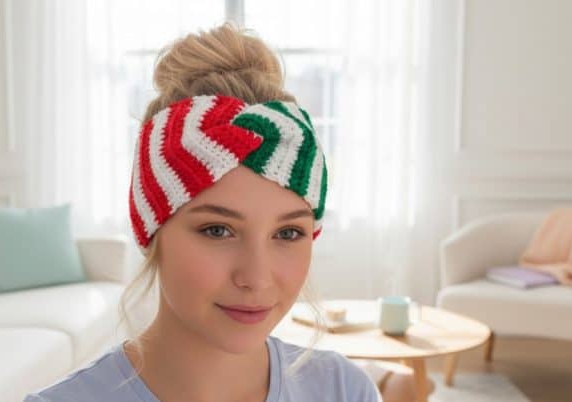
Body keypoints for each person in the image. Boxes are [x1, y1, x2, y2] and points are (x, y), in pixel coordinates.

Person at [24, 21, 432, 402]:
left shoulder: (345, 391)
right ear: (152, 230)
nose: (256, 279)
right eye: (218, 230)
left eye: (288, 233)